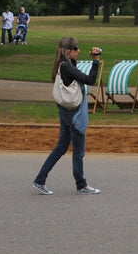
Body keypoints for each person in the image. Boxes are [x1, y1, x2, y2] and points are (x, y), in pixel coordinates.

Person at [32, 37, 102, 195]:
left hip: (64, 111)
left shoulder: (61, 65)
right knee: (78, 151)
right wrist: (96, 61)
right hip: (73, 114)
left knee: (60, 148)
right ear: (67, 50)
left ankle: (39, 180)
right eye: (75, 48)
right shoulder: (66, 67)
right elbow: (90, 80)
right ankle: (81, 185)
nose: (78, 51)